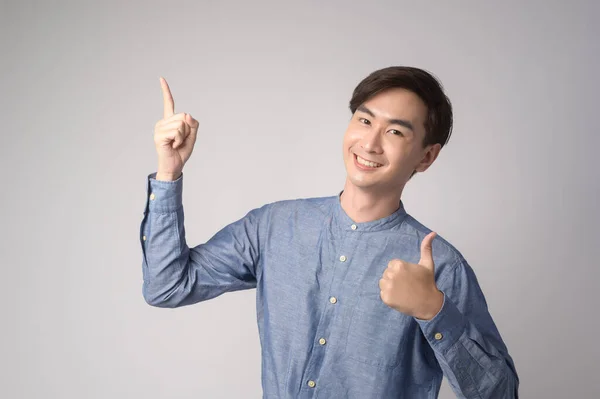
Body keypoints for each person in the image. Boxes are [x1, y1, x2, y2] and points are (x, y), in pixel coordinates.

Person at [140, 66, 519, 398]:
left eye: (396, 132)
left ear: (426, 157)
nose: (369, 143)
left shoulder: (441, 267)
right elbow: (167, 286)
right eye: (364, 120)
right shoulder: (273, 227)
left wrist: (433, 310)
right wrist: (169, 171)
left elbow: (499, 393)